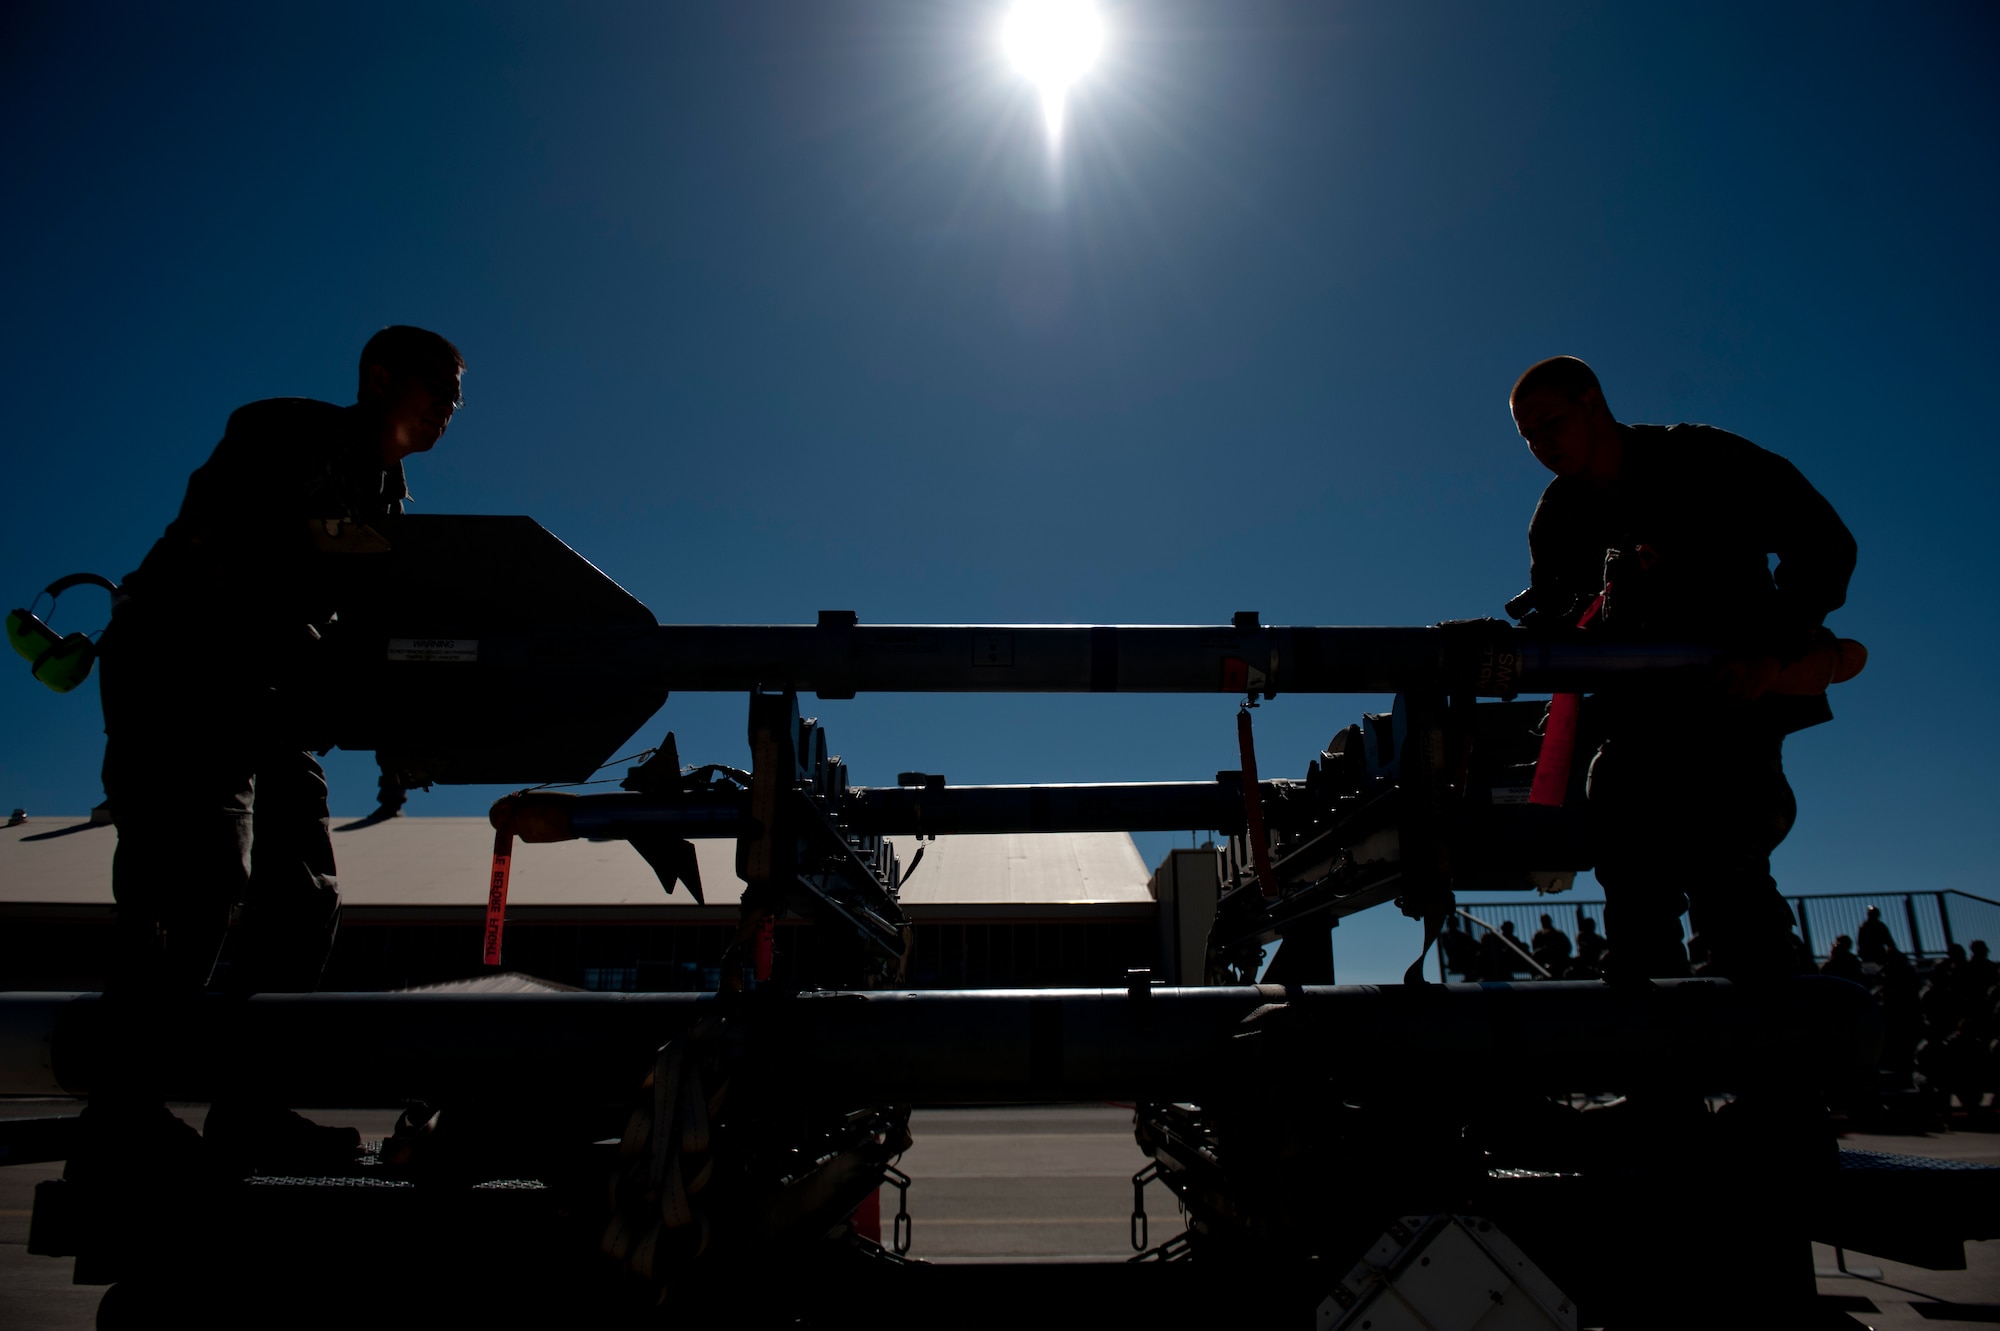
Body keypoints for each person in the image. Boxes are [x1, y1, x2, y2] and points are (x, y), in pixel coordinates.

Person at [83, 326, 465, 1178]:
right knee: (194, 873)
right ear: (377, 377)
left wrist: (399, 732)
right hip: (181, 665)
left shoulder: (389, 504)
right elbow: (241, 560)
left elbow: (366, 628)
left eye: (456, 397)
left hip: (271, 692)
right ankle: (122, 1115)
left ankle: (250, 1108)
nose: (450, 408)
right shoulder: (284, 433)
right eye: (435, 387)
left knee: (303, 889)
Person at [1507, 356, 1856, 981]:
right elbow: (1560, 625)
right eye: (1528, 435)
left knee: (1733, 890)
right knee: (1636, 915)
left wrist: (1769, 649)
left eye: (1550, 422)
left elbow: (1823, 541)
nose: (1541, 444)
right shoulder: (1559, 518)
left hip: (1728, 711)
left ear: (1592, 401)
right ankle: (1656, 1073)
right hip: (1629, 728)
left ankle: (1781, 1068)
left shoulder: (1702, 461)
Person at [1531, 913, 1573, 978]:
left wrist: (1557, 949)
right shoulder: (1538, 935)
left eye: (1546, 920)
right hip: (1545, 956)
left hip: (1557, 956)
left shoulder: (1558, 934)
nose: (1544, 923)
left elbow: (1567, 947)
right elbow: (1535, 948)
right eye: (1543, 921)